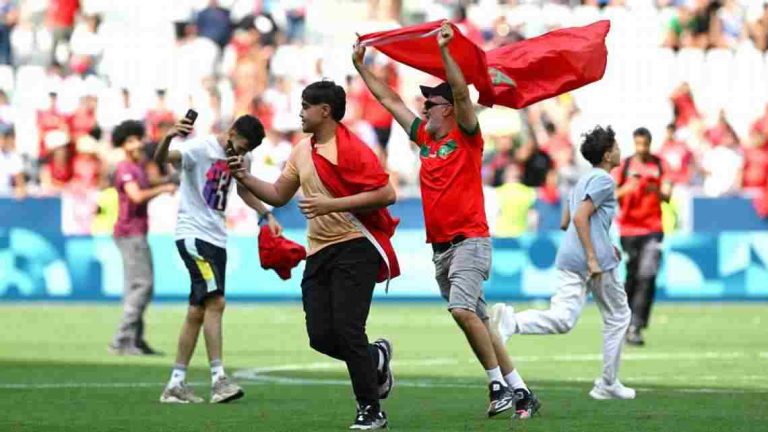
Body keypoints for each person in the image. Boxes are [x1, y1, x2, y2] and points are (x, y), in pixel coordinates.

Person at [353, 21, 540, 419]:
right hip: (441, 248)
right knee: (482, 322)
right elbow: (390, 102)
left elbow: (459, 92)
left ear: (450, 109)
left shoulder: (468, 135)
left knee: (461, 311)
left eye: (431, 104)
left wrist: (445, 54)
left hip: (469, 239)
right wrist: (362, 68)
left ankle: (495, 385)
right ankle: (521, 391)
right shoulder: (425, 138)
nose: (423, 108)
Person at [228, 80, 398, 430]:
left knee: (349, 330)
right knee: (320, 336)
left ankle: (371, 409)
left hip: (357, 245)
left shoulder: (352, 148)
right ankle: (375, 358)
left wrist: (331, 204)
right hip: (319, 251)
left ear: (325, 111)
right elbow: (277, 194)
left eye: (306, 106)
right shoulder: (300, 150)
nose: (300, 112)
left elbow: (387, 193)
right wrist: (244, 177)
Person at [491, 126, 635, 400]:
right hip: (593, 261)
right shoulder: (604, 181)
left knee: (563, 318)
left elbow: (565, 221)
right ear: (607, 155)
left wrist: (604, 244)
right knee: (618, 316)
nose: (619, 151)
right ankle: (607, 384)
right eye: (615, 147)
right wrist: (594, 255)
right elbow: (580, 218)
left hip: (570, 255)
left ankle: (514, 322)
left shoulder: (582, 179)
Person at [153, 114, 282, 404]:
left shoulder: (240, 159)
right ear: (232, 132)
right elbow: (162, 158)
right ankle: (219, 380)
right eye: (242, 146)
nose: (242, 154)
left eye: (247, 151)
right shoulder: (200, 148)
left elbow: (245, 191)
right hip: (194, 235)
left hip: (216, 238)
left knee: (197, 311)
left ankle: (175, 383)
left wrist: (266, 214)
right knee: (217, 302)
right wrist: (168, 135)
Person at [109, 120, 176, 355]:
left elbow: (151, 182)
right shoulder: (125, 168)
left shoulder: (137, 167)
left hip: (135, 232)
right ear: (123, 144)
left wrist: (169, 180)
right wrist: (163, 189)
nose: (137, 143)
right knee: (142, 285)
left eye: (138, 138)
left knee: (135, 287)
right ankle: (122, 339)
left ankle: (135, 339)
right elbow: (136, 195)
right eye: (131, 140)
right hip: (130, 233)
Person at [615, 128, 671, 346]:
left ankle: (637, 325)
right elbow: (610, 193)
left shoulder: (659, 165)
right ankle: (624, 322)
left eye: (645, 144)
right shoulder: (625, 165)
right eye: (638, 144)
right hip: (629, 229)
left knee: (648, 274)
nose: (642, 149)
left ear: (650, 143)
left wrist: (654, 189)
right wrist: (628, 188)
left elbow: (667, 194)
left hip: (653, 227)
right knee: (632, 276)